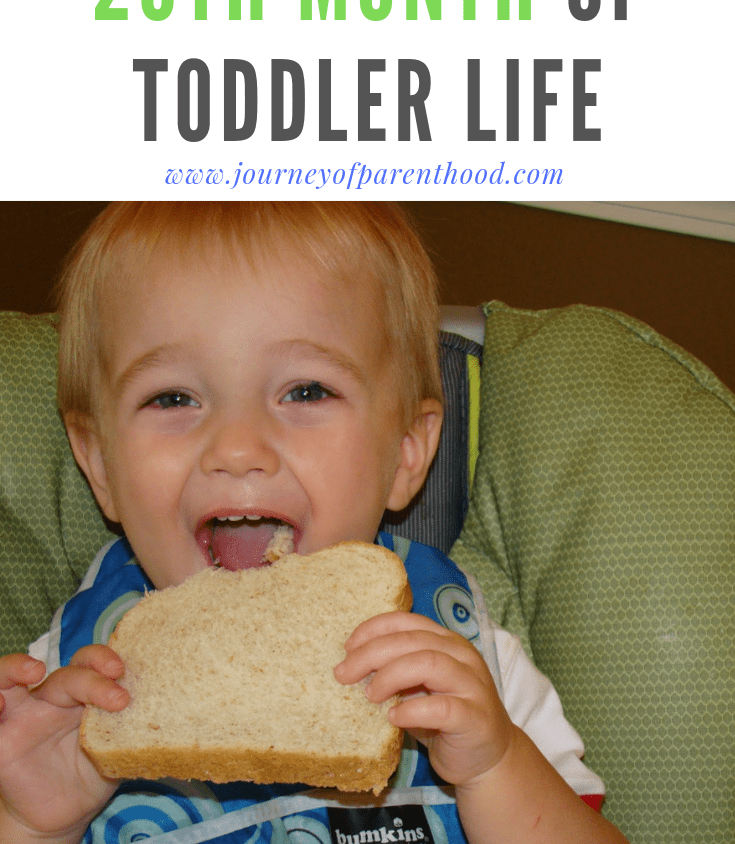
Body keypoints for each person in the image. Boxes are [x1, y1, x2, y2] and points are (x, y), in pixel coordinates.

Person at [0, 201, 630, 844]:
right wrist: (30, 821)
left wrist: (495, 768)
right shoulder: (71, 684)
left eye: (306, 392)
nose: (237, 447)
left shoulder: (464, 660)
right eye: (173, 398)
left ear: (406, 449)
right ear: (100, 463)